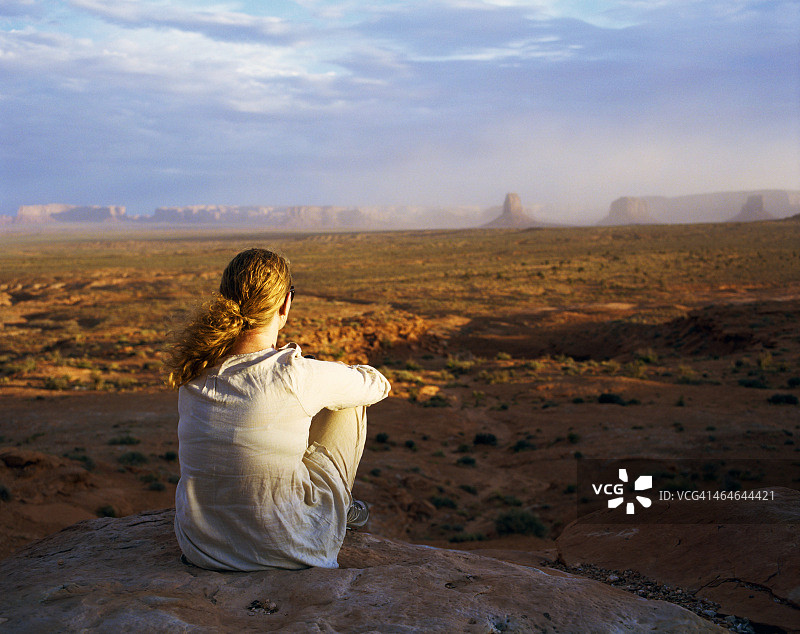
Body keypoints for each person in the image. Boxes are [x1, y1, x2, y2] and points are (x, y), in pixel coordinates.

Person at [166, 248, 391, 571]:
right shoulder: (294, 374)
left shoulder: (195, 369)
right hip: (291, 549)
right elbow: (378, 385)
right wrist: (330, 372)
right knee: (350, 402)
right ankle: (340, 508)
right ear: (285, 304)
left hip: (202, 548)